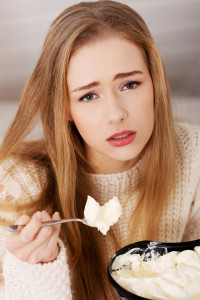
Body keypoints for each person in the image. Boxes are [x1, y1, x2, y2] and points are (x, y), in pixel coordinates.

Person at [0, 0, 199, 299]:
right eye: (89, 96)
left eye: (130, 85)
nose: (115, 114)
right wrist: (35, 271)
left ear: (156, 82)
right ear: (64, 108)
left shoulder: (192, 155)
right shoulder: (18, 185)